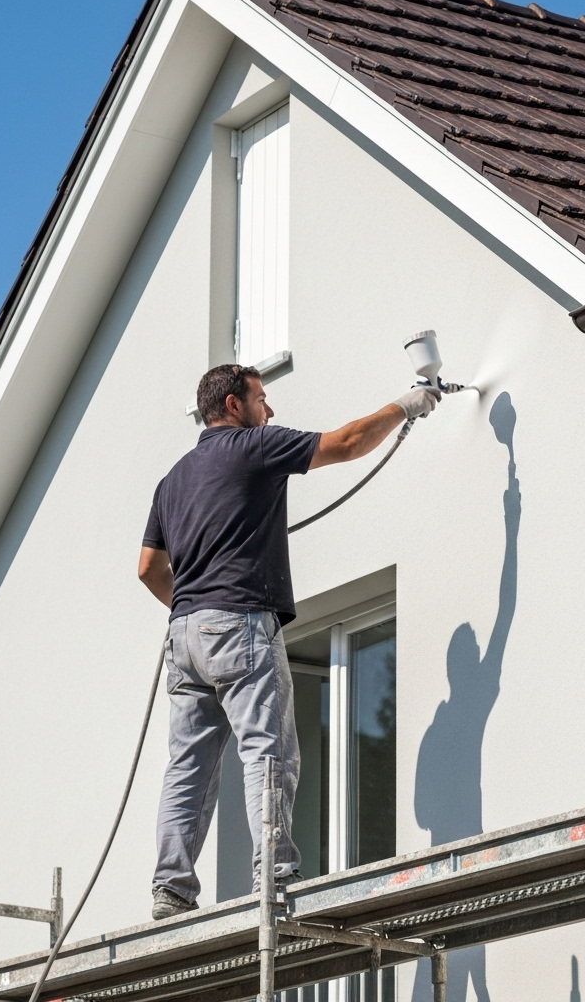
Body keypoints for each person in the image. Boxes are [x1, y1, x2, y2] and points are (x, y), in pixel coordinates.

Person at [138, 363, 440, 920]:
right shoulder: (251, 447)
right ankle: (273, 871)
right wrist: (409, 403)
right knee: (267, 748)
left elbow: (149, 568)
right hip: (240, 623)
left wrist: (195, 607)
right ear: (232, 405)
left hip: (184, 636)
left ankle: (171, 889)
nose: (269, 410)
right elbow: (346, 444)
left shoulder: (172, 481)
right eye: (261, 398)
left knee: (188, 766)